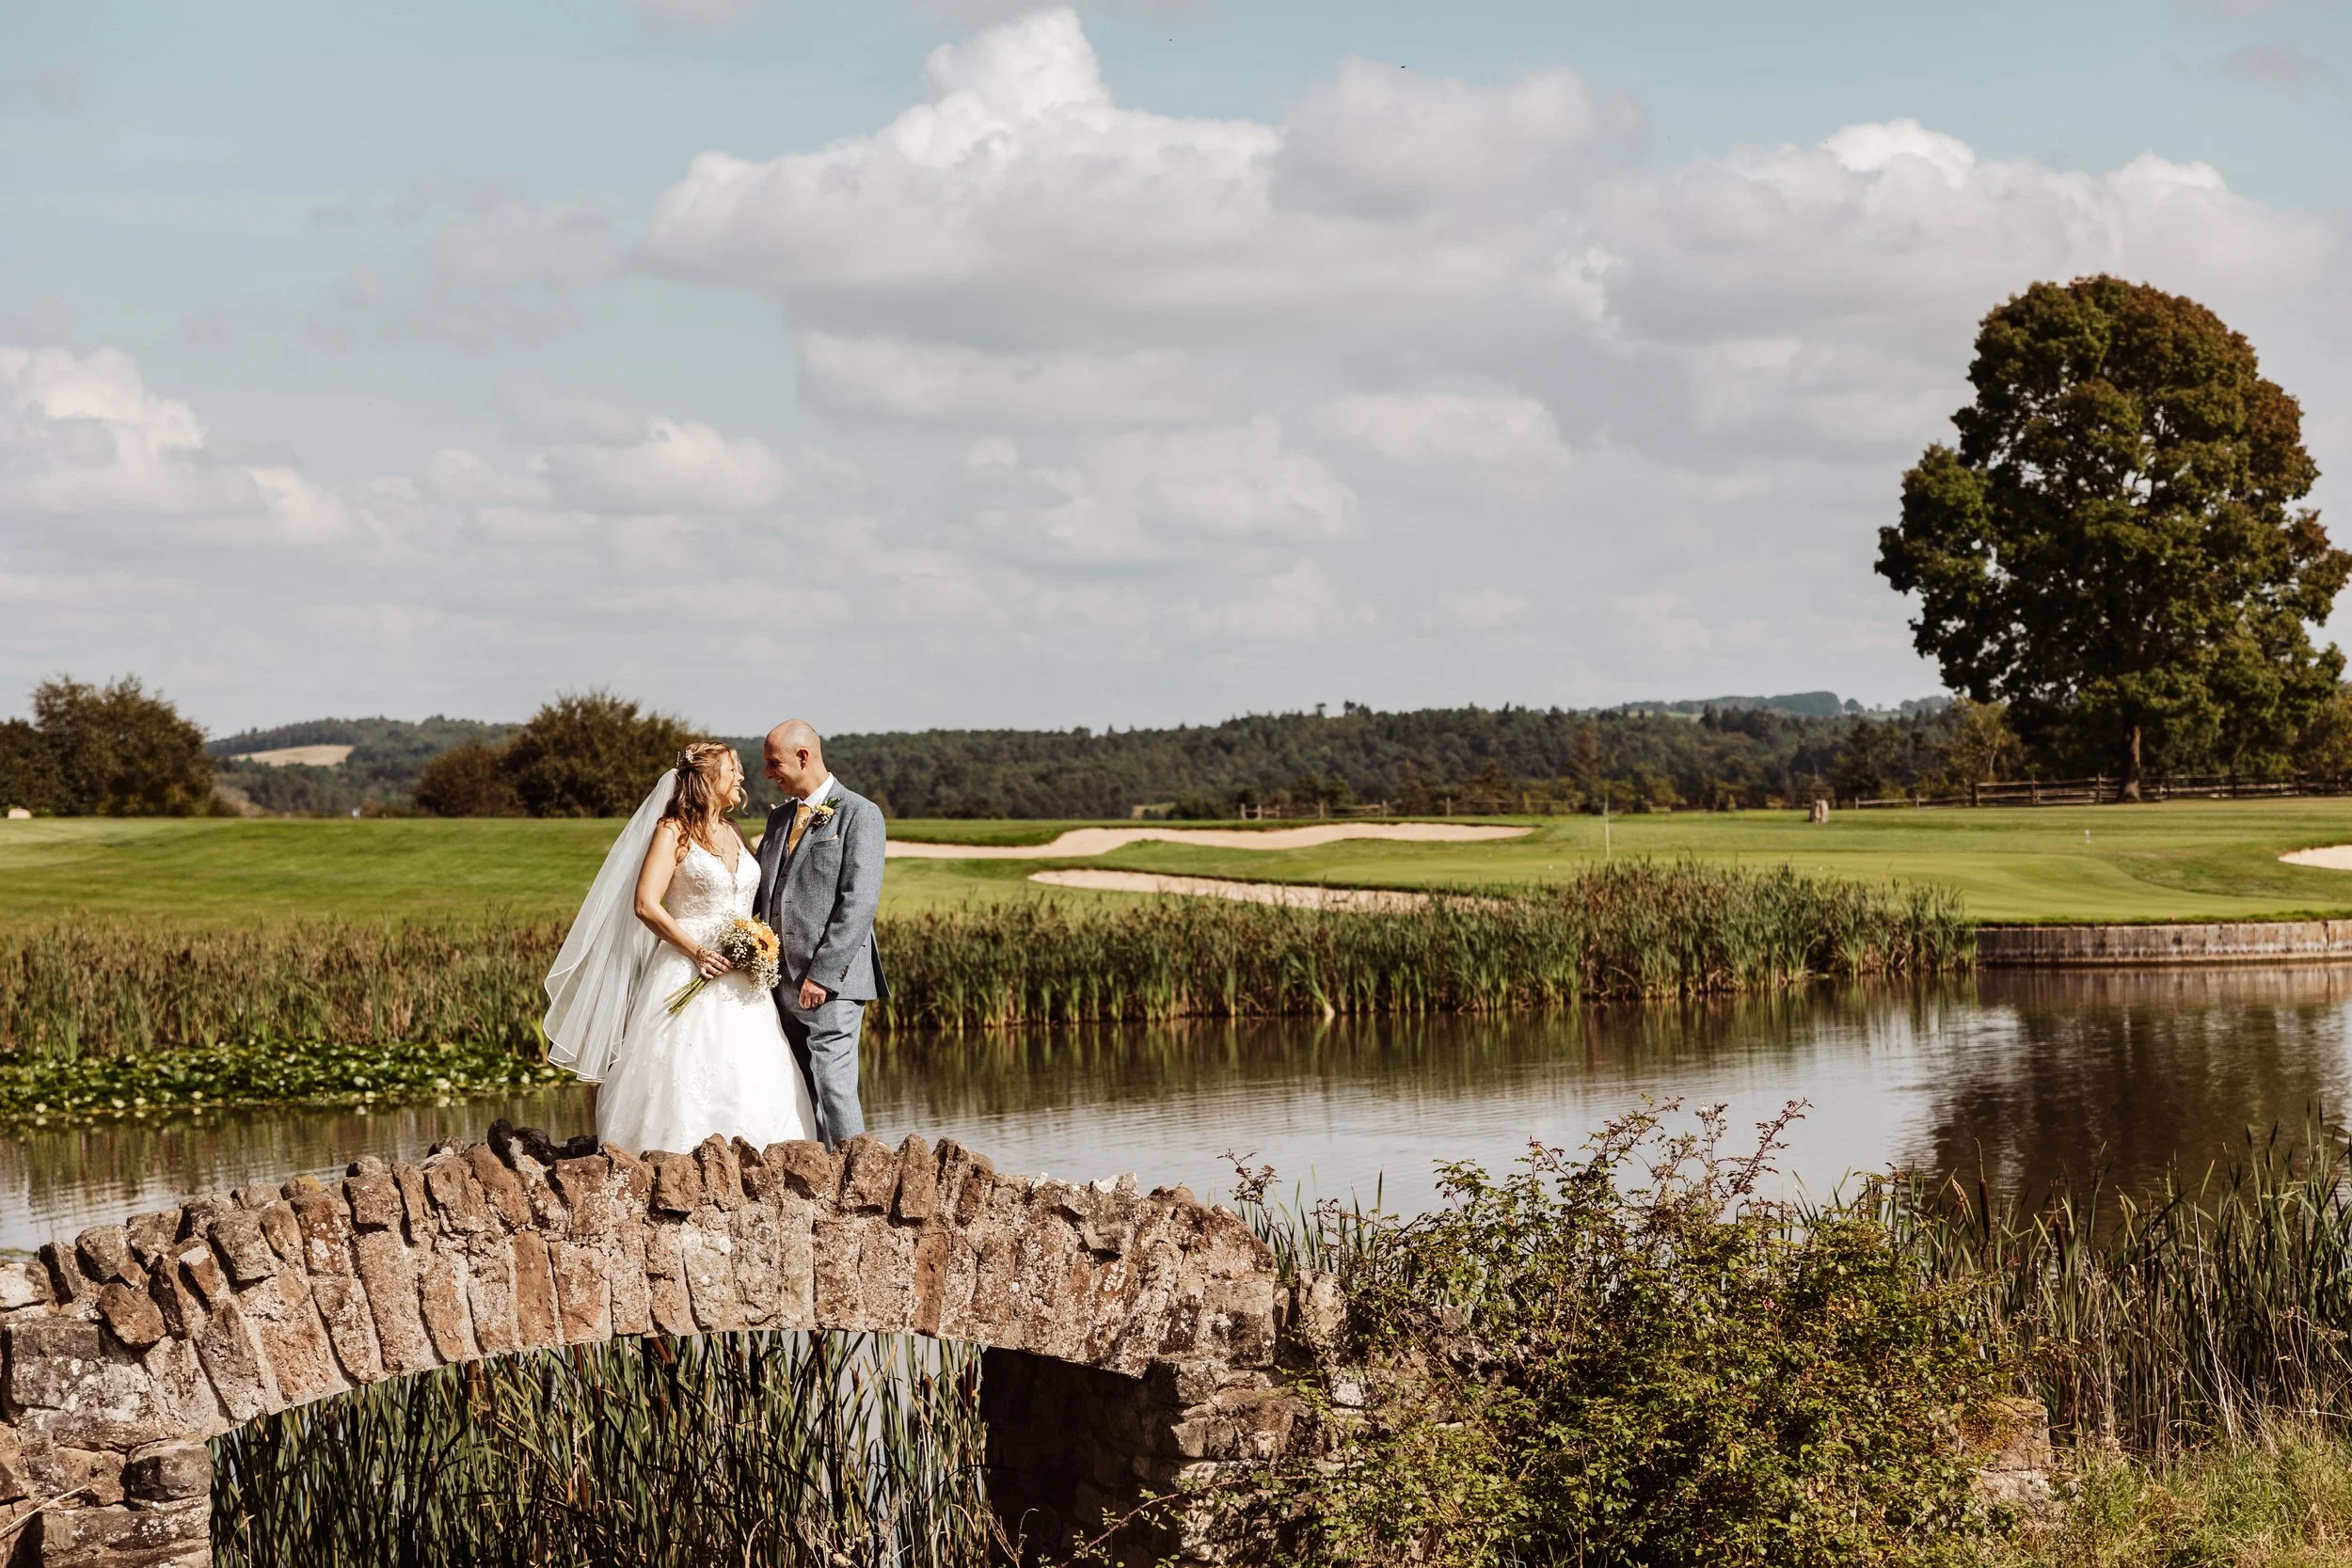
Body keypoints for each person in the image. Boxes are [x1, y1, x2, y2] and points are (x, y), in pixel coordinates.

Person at [542, 742, 818, 1153]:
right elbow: (645, 904)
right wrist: (697, 951)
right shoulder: (672, 831)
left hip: (745, 981)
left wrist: (753, 943)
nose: (741, 777)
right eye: (733, 769)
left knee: (753, 1067)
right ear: (708, 779)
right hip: (688, 967)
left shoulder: (733, 831)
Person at [753, 720, 886, 1147]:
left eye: (774, 763)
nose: (768, 773)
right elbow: (764, 894)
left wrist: (823, 975)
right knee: (795, 1088)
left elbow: (858, 903)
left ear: (803, 757)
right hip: (778, 981)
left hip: (831, 984)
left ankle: (857, 1172)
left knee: (834, 1087)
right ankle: (813, 1172)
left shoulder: (860, 814)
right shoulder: (779, 819)